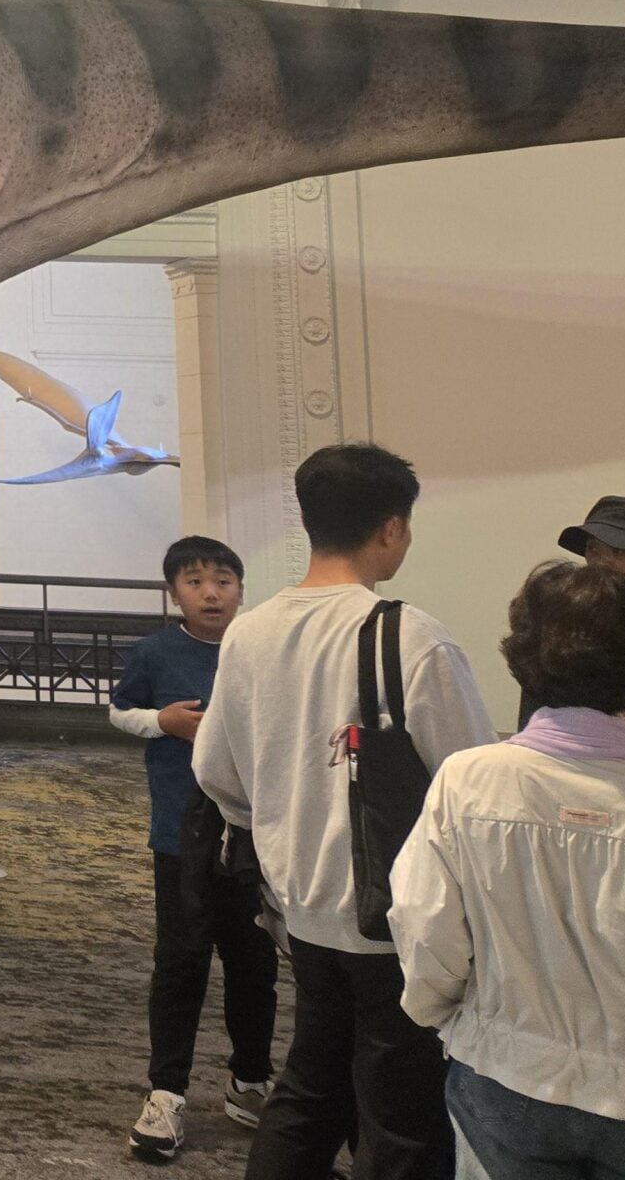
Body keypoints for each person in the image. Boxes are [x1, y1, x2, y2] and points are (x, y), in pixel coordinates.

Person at [194, 443, 496, 1180]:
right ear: (392, 528)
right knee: (402, 1117)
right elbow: (471, 785)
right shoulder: (409, 635)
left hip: (302, 909)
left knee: (313, 1089)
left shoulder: (250, 631)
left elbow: (214, 770)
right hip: (396, 918)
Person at [392, 561, 625, 1180]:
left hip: (505, 1072)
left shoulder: (470, 779)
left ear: (522, 655)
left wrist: (450, 1021)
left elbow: (423, 924)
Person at [113, 535, 280, 1163]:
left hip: (258, 836)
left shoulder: (263, 646)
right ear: (173, 592)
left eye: (223, 581)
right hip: (181, 837)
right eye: (195, 582)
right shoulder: (156, 651)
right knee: (181, 962)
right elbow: (118, 710)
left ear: (241, 589)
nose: (211, 593)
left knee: (255, 964)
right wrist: (163, 722)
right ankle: (167, 1094)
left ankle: (250, 1081)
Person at [515, 497, 625, 725]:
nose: (604, 560)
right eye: (594, 549)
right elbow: (535, 721)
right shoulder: (560, 624)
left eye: (620, 550)